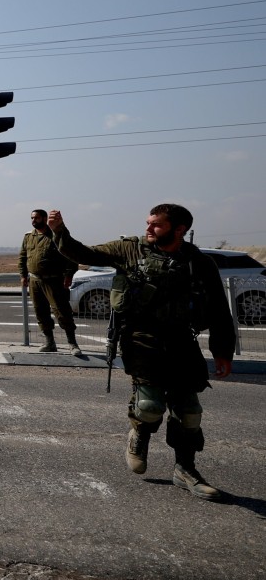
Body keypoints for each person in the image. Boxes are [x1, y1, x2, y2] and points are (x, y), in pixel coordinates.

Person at [47, 204, 234, 501]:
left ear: (179, 230)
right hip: (140, 339)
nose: (148, 229)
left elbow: (220, 311)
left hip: (182, 342)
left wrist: (223, 350)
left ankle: (185, 470)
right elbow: (84, 254)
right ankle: (140, 434)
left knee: (189, 412)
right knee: (149, 406)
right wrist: (59, 231)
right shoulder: (129, 250)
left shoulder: (198, 263)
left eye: (156, 225)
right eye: (148, 223)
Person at [18, 209, 82, 356]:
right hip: (35, 281)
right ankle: (49, 342)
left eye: (37, 218)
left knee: (62, 312)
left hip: (54, 281)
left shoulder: (55, 235)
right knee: (41, 312)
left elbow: (70, 256)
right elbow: (22, 257)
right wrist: (23, 275)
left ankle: (72, 343)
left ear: (45, 219)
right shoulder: (29, 237)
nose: (34, 221)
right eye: (32, 218)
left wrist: (69, 275)